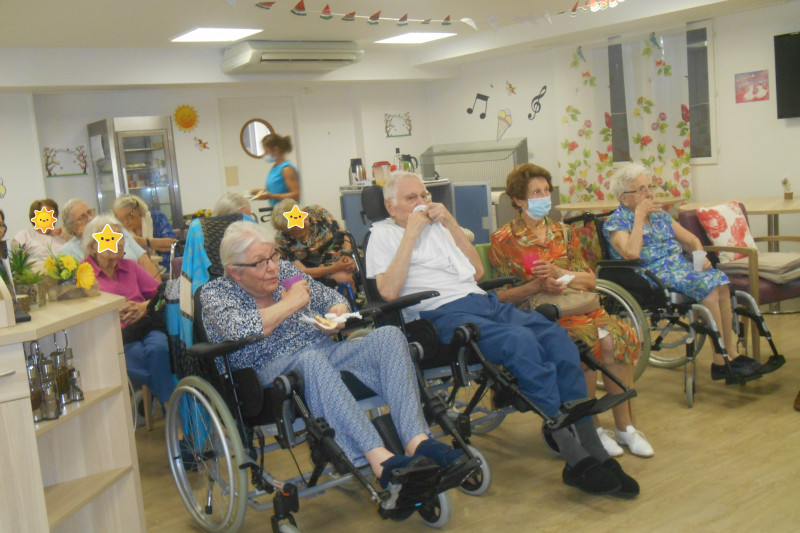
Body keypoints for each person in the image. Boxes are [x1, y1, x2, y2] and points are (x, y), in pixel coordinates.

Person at [366, 172, 639, 498]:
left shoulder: (438, 226)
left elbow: (477, 274)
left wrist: (451, 223)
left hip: (481, 302)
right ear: (389, 205)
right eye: (412, 198)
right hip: (438, 314)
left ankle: (593, 446)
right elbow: (388, 291)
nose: (422, 203)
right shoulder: (381, 236)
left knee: (555, 337)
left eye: (424, 195)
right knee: (518, 343)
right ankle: (574, 455)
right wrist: (410, 234)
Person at [199, 221, 474, 516]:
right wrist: (293, 302)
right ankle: (380, 461)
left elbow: (334, 298)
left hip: (325, 351)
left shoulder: (287, 272)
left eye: (273, 256)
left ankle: (416, 442)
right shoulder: (215, 294)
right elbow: (241, 329)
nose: (272, 267)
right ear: (234, 271)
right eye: (259, 263)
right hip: (265, 374)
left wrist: (337, 314)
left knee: (389, 337)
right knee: (310, 362)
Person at [489, 163, 653, 458]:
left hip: (578, 304)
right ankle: (593, 427)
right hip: (540, 314)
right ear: (518, 200)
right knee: (584, 341)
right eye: (535, 192)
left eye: (545, 191)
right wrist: (537, 286)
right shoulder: (503, 240)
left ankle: (626, 427)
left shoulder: (563, 232)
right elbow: (501, 296)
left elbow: (589, 281)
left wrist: (558, 271)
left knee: (618, 335)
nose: (543, 197)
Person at [603, 163, 762, 381]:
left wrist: (701, 254)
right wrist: (639, 217)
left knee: (720, 281)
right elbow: (631, 253)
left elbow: (691, 240)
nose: (649, 193)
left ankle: (731, 353)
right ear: (624, 198)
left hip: (679, 267)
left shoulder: (660, 216)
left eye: (650, 187)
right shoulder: (617, 222)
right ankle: (720, 359)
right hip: (650, 275)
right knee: (707, 287)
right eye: (641, 189)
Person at [81, 215, 175, 409]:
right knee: (149, 360)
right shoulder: (84, 274)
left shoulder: (131, 267)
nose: (120, 243)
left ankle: (171, 412)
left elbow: (164, 293)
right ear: (93, 246)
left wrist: (145, 306)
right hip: (115, 337)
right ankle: (173, 409)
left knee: (159, 348)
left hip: (147, 327)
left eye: (120, 237)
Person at [59, 198, 160, 279]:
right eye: (82, 217)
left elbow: (144, 261)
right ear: (71, 227)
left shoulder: (118, 232)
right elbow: (85, 281)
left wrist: (157, 295)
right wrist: (88, 238)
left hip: (141, 287)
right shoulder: (67, 251)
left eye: (90, 212)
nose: (90, 218)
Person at [271, 199, 356, 289]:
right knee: (344, 278)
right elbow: (303, 271)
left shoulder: (317, 212)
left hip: (340, 257)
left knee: (366, 266)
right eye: (288, 229)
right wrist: (335, 268)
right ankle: (348, 302)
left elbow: (343, 236)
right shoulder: (282, 240)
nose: (292, 231)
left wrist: (347, 257)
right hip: (318, 272)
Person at [113, 194, 178, 271]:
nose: (126, 222)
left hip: (166, 268)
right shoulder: (120, 230)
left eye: (129, 216)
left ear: (138, 209)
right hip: (137, 271)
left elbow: (173, 244)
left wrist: (144, 242)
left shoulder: (156, 218)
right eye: (121, 219)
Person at [12, 199, 69, 266]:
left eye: (54, 215)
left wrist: (67, 236)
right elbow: (15, 258)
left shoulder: (62, 235)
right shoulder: (25, 234)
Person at [251, 133, 301, 207]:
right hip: (278, 212)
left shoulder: (286, 169)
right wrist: (260, 192)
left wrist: (272, 196)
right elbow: (276, 189)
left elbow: (296, 195)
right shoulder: (275, 168)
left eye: (266, 151)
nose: (263, 155)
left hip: (289, 214)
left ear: (276, 150)